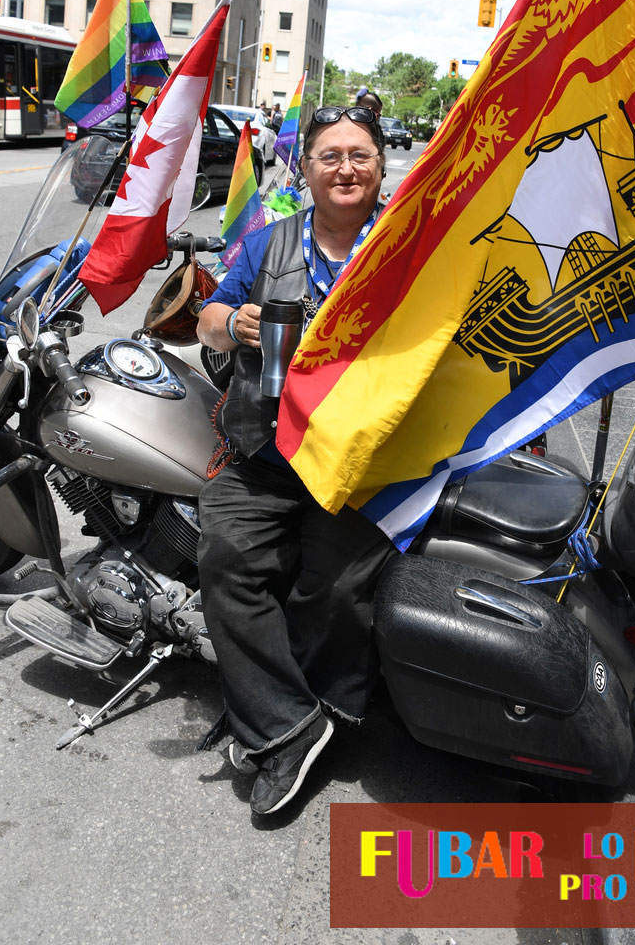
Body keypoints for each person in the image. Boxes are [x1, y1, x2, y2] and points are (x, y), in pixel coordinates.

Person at [197, 105, 394, 816]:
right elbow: (209, 319)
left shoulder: (407, 248)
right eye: (329, 156)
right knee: (223, 555)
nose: (345, 168)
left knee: (335, 592)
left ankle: (311, 717)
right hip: (267, 449)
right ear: (305, 169)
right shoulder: (268, 243)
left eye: (360, 155)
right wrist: (235, 323)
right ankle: (289, 725)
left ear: (380, 167)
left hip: (360, 458)